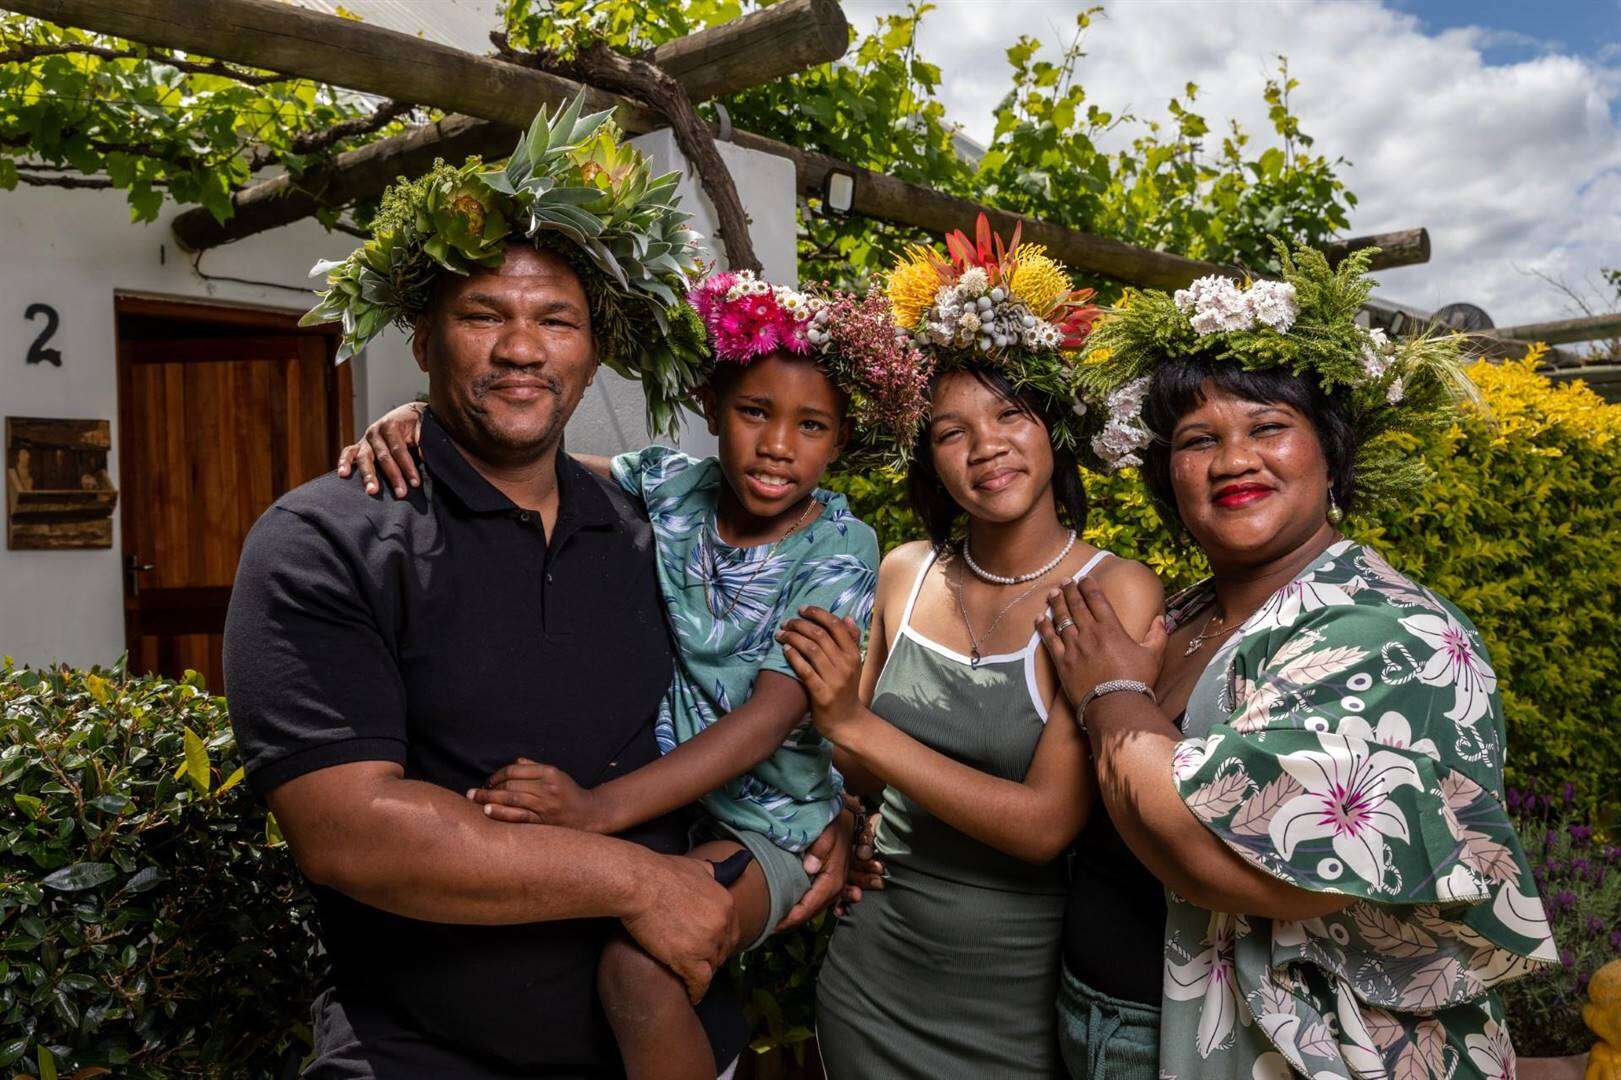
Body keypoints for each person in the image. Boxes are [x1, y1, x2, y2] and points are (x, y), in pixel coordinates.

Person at [224, 96, 848, 1078]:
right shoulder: (326, 540)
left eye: (555, 319)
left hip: (680, 1040)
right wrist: (635, 881)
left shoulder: (655, 532)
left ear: (592, 348)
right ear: (423, 341)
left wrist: (830, 826)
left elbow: (757, 704)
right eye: (483, 315)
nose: (522, 348)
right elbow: (350, 834)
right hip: (423, 1056)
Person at [334, 271, 933, 1080]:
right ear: (714, 409)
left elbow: (769, 718)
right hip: (676, 815)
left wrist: (593, 810)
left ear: (841, 440)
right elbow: (528, 456)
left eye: (812, 426)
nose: (779, 444)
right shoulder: (673, 487)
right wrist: (418, 418)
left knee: (638, 971)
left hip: (774, 827)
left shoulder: (837, 547)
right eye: (755, 412)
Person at [1034, 246, 1557, 1078]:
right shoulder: (1178, 614)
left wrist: (1108, 693)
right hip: (1097, 1021)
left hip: (1281, 1053)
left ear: (1330, 453)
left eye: (1268, 427)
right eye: (1198, 440)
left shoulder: (1391, 632)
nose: (1232, 459)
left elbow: (1238, 870)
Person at [778, 218, 1164, 1079]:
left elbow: (1043, 827)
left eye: (1009, 414)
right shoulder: (903, 572)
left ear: (1051, 427)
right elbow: (863, 776)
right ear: (929, 458)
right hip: (871, 977)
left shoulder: (1115, 590)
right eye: (950, 431)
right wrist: (845, 816)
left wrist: (850, 720)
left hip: (1015, 1001)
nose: (984, 445)